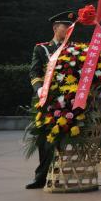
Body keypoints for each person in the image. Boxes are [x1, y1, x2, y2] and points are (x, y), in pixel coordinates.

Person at [25, 10, 75, 189]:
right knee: (45, 139)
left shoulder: (74, 50)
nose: (69, 30)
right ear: (55, 28)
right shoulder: (42, 48)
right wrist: (39, 90)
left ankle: (61, 174)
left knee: (67, 139)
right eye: (65, 26)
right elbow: (34, 71)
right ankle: (41, 176)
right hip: (47, 100)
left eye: (71, 27)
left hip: (67, 101)